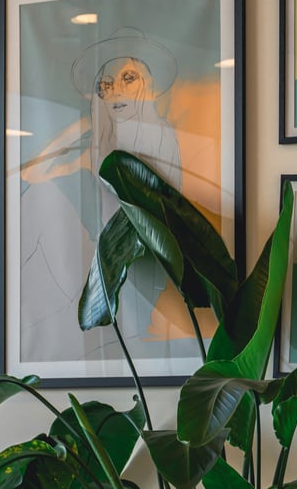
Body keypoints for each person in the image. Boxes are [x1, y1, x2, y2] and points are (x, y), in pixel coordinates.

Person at [18, 27, 184, 362]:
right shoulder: (102, 141)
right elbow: (30, 173)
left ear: (149, 84)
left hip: (137, 267)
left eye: (128, 78)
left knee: (43, 199)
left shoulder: (161, 138)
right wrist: (85, 124)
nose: (115, 91)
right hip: (98, 255)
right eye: (104, 85)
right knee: (39, 196)